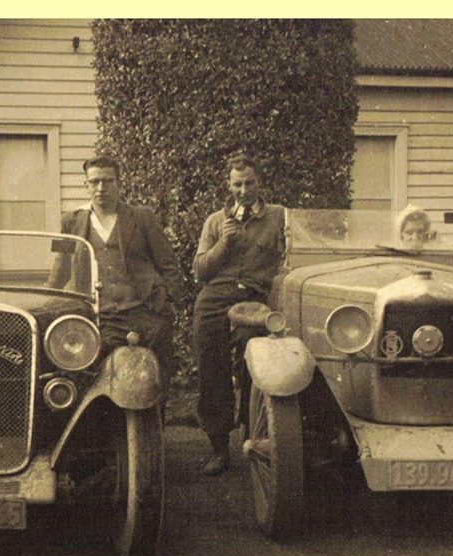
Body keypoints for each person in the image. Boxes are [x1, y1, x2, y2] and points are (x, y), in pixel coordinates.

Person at [192, 154, 286, 475]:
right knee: (209, 357)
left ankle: (254, 429)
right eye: (237, 184)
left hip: (255, 296)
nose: (243, 190)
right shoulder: (216, 221)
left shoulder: (278, 218)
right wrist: (224, 243)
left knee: (256, 350)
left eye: (249, 183)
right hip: (216, 293)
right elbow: (200, 271)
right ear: (228, 184)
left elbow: (289, 262)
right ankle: (219, 446)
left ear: (259, 183)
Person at [57, 156, 179, 394]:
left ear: (119, 183)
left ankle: (153, 428)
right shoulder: (71, 222)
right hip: (100, 315)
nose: (101, 188)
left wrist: (166, 303)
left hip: (144, 311)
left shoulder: (142, 217)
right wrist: (48, 300)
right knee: (89, 374)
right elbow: (60, 267)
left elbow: (168, 264)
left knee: (154, 379)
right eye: (94, 182)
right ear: (86, 185)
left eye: (108, 181)